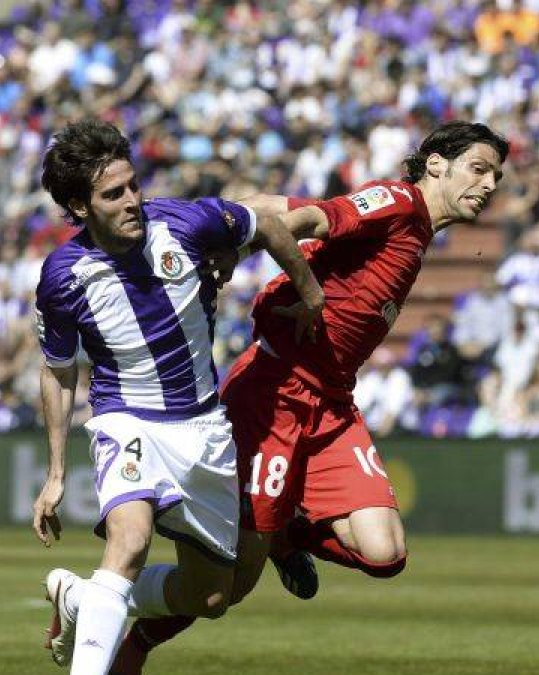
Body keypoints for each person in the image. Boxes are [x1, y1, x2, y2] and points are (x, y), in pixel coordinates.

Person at [114, 120, 508, 671]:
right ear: (436, 163)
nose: (490, 184)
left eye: (496, 175)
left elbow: (280, 204)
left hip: (331, 404)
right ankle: (129, 636)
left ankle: (288, 535)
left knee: (386, 552)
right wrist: (273, 264)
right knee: (229, 590)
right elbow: (309, 219)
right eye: (479, 168)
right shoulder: (397, 202)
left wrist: (234, 224)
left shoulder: (415, 231)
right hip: (273, 396)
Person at [28, 119, 323, 675]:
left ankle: (78, 598)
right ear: (80, 205)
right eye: (113, 195)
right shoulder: (64, 276)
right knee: (130, 542)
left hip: (205, 430)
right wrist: (56, 473)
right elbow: (58, 372)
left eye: (133, 186)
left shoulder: (185, 222)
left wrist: (311, 294)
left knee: (213, 597)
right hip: (127, 420)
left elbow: (270, 228)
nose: (133, 201)